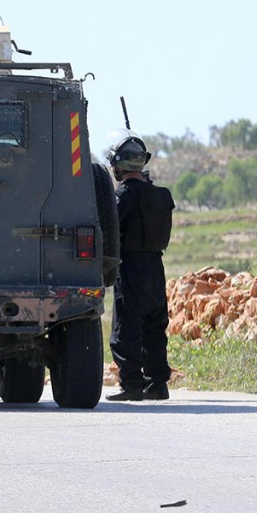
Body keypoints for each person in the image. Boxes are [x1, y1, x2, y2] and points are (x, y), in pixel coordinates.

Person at [105, 134, 175, 402]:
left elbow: (111, 230)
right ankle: (157, 384)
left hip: (130, 266)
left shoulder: (121, 197)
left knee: (127, 328)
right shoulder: (161, 195)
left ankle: (132, 384)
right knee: (155, 326)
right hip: (155, 266)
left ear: (118, 166)